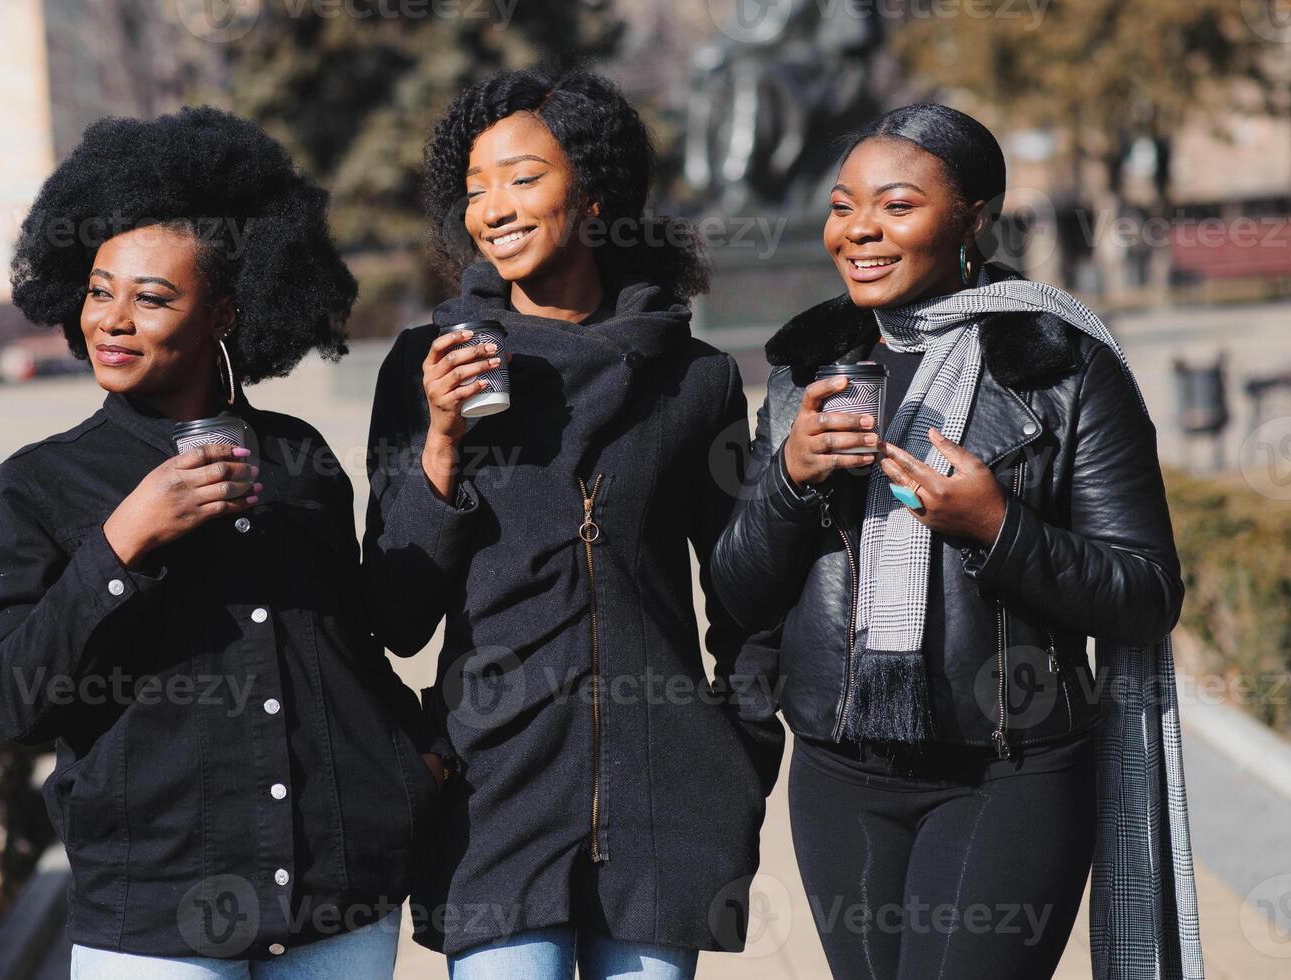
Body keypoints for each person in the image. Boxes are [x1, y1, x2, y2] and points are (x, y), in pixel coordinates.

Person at [711, 103, 1199, 978]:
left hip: (1007, 772)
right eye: (841, 205)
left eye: (896, 206)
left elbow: (1144, 592)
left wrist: (997, 529)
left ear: (972, 218)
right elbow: (738, 595)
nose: (859, 229)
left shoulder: (1058, 365)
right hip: (839, 768)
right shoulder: (806, 369)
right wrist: (787, 479)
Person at [0, 106, 440, 979]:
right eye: (100, 289)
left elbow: (355, 644)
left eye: (152, 297)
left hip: (335, 898)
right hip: (154, 910)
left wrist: (414, 762)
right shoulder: (37, 486)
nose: (113, 319)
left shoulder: (298, 456)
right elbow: (13, 698)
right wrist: (121, 544)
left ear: (222, 313)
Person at [362, 68, 784, 980]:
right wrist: (439, 441)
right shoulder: (424, 366)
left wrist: (740, 752)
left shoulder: (694, 378)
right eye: (474, 189)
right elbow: (394, 615)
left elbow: (744, 589)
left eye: (522, 178)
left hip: (665, 799)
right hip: (492, 795)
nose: (492, 208)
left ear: (591, 196)